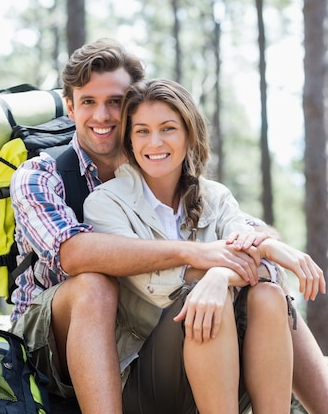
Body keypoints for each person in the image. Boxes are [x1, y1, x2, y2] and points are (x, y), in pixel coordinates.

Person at [9, 37, 328, 414]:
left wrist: (263, 248)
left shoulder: (158, 163)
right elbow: (73, 255)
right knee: (95, 285)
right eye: (89, 102)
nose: (102, 116)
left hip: (143, 333)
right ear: (70, 107)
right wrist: (199, 253)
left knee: (266, 294)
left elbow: (248, 230)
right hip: (51, 341)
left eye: (115, 103)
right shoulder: (41, 174)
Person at [83, 77, 307, 413]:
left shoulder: (215, 197)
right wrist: (222, 274)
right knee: (201, 302)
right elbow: (159, 288)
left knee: (268, 295)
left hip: (223, 371)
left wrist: (221, 276)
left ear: (189, 133)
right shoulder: (105, 203)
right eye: (142, 131)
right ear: (129, 139)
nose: (154, 142)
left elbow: (264, 266)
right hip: (149, 380)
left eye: (168, 128)